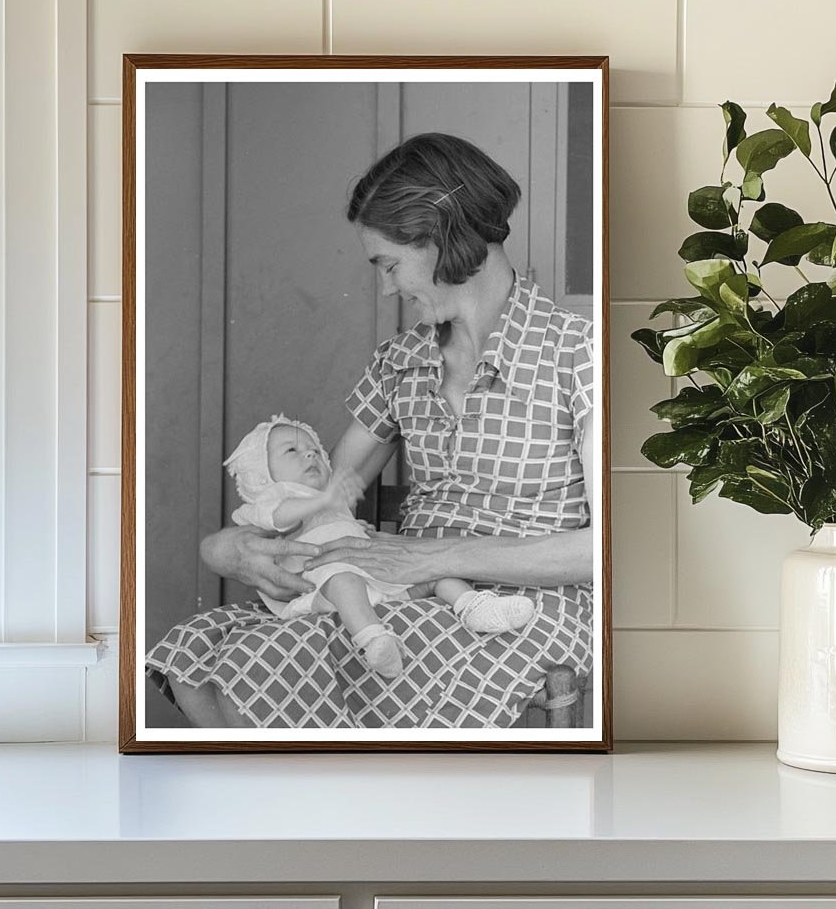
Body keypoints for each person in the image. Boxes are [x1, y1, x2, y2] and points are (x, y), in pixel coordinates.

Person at [145, 131, 594, 729]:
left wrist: (429, 558)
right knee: (207, 657)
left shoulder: (578, 351)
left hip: (527, 606)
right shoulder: (400, 361)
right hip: (405, 594)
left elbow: (604, 552)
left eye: (389, 264)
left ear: (442, 236)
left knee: (292, 667)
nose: (385, 288)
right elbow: (326, 497)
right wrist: (223, 548)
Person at [224, 414, 538, 678]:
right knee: (343, 580)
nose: (310, 454)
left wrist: (357, 529)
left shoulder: (326, 498)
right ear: (263, 475)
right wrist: (323, 499)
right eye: (291, 450)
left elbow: (332, 526)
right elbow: (279, 519)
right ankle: (373, 639)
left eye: (314, 450)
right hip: (323, 585)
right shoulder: (273, 499)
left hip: (375, 576)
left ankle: (474, 607)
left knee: (435, 572)